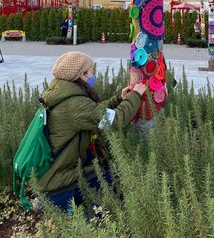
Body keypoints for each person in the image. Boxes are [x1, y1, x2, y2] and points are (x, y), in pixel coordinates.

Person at [37, 51, 146, 212]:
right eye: (91, 71)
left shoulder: (65, 95)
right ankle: (86, 216)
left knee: (103, 167)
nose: (94, 75)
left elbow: (94, 113)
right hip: (58, 183)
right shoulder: (75, 105)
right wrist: (136, 95)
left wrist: (119, 99)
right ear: (81, 74)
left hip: (54, 173)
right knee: (111, 180)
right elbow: (116, 120)